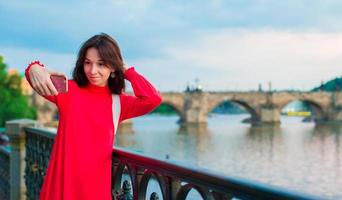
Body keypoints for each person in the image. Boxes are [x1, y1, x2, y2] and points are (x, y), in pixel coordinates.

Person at [25, 33, 162, 200]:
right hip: (61, 186)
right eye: (87, 63)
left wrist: (126, 71)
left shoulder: (119, 103)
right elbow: (33, 78)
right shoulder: (68, 89)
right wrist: (34, 67)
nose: (92, 71)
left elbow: (153, 99)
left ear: (113, 66)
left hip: (94, 190)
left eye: (101, 64)